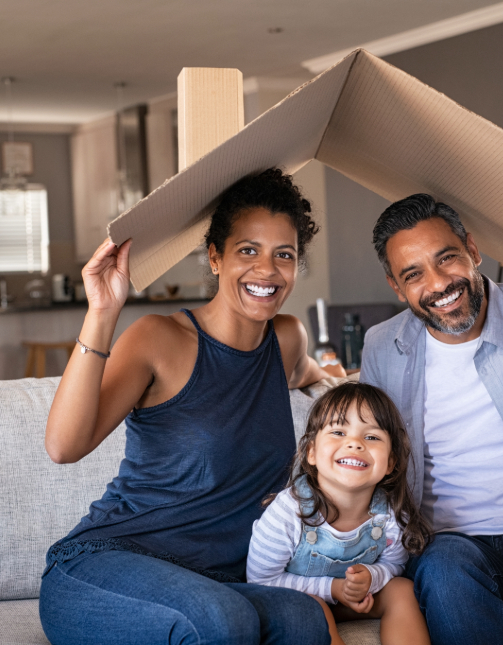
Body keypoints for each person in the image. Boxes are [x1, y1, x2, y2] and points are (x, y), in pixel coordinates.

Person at [39, 168, 344, 645]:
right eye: (248, 250)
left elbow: (314, 373)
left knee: (306, 620)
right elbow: (63, 446)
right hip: (111, 564)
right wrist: (102, 313)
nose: (267, 270)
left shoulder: (286, 338)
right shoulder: (159, 339)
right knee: (221, 622)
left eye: (283, 255)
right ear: (215, 258)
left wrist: (340, 382)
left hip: (217, 580)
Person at [360, 192, 503, 645]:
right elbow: (369, 449)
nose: (438, 283)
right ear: (396, 286)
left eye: (446, 258)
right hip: (452, 542)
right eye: (414, 274)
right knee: (443, 568)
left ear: (472, 250)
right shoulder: (382, 346)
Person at [247, 381, 432, 645]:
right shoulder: (289, 512)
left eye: (372, 437)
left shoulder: (389, 514)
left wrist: (371, 577)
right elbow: (260, 581)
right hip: (300, 602)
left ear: (390, 462)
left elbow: (394, 564)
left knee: (402, 590)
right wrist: (333, 590)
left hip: (356, 599)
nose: (355, 443)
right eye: (338, 432)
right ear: (310, 452)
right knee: (315, 607)